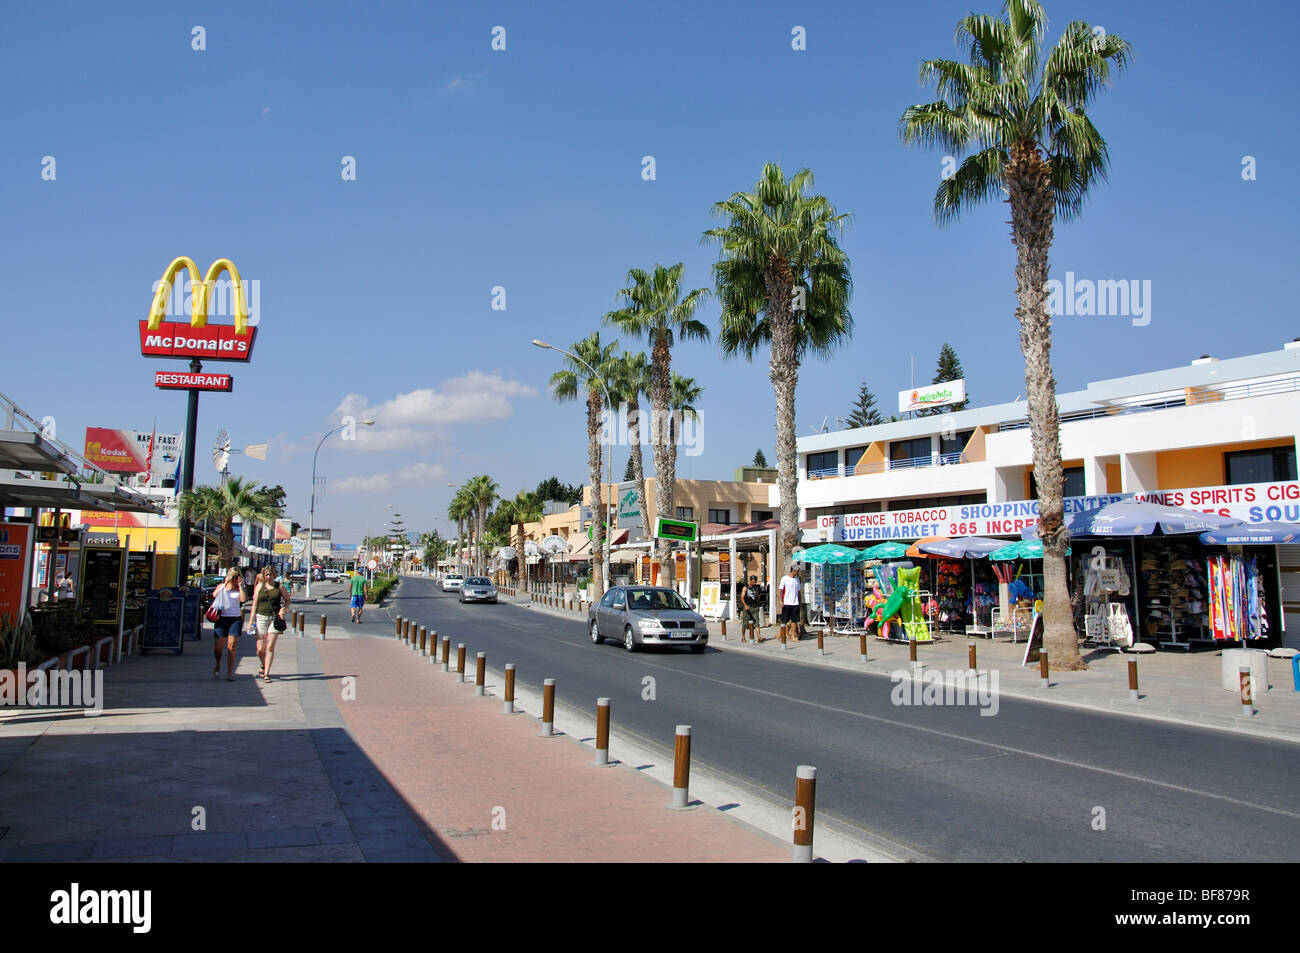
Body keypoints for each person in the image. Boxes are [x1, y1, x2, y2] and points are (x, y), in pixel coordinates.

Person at [250, 566, 290, 682]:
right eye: (266, 575)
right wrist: (251, 621)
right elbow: (254, 605)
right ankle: (263, 665)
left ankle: (267, 673)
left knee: (270, 647)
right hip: (261, 618)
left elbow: (287, 600)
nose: (268, 577)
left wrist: (284, 609)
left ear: (274, 575)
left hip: (274, 618)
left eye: (270, 575)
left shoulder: (279, 586)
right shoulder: (259, 587)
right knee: (260, 649)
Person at [211, 568, 245, 681]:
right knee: (218, 649)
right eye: (233, 576)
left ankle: (230, 673)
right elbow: (214, 595)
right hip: (222, 619)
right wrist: (226, 583)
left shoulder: (239, 588)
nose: (235, 579)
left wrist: (240, 586)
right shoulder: (222, 586)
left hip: (235, 619)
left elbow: (243, 599)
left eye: (237, 576)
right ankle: (218, 663)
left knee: (232, 647)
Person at [778, 565, 803, 645]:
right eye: (797, 571)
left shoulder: (797, 580)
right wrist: (780, 601)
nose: (798, 572)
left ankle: (793, 636)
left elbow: (798, 591)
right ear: (793, 570)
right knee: (784, 620)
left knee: (794, 621)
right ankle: (781, 634)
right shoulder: (784, 578)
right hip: (787, 602)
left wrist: (799, 601)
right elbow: (780, 590)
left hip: (795, 603)